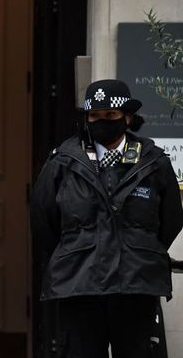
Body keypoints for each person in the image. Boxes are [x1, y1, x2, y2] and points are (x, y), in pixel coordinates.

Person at [30, 79, 183, 358]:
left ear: (127, 117)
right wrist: (77, 250)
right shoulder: (63, 161)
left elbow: (170, 220)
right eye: (95, 116)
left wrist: (139, 248)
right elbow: (43, 222)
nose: (102, 122)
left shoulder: (154, 161)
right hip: (80, 284)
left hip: (137, 283)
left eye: (110, 115)